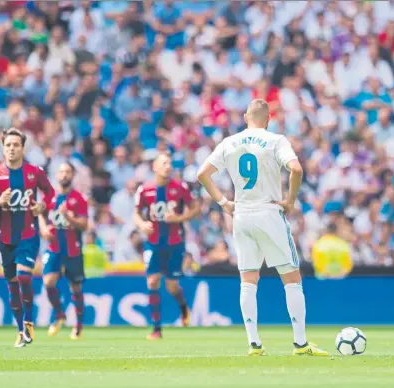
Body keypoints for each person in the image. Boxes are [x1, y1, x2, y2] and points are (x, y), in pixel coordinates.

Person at [197, 99, 328, 357]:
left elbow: (202, 174)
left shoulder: (229, 142)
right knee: (291, 278)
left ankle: (254, 344)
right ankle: (300, 344)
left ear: (246, 117)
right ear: (268, 119)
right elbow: (296, 169)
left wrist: (224, 202)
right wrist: (290, 200)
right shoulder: (276, 140)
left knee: (248, 280)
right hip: (269, 211)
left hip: (241, 214)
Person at [0, 128, 55, 348]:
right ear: (3, 148)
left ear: (23, 148)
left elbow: (50, 194)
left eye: (16, 145)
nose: (11, 148)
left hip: (28, 234)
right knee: (12, 284)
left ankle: (29, 320)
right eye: (8, 145)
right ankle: (21, 329)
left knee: (24, 277)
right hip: (5, 237)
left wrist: (43, 206)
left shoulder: (34, 172)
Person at [133, 152, 199, 340]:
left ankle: (183, 306)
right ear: (154, 167)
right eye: (164, 163)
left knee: (171, 286)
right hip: (153, 242)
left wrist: (179, 218)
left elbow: (195, 208)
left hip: (174, 242)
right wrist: (141, 224)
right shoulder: (145, 190)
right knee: (152, 281)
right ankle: (156, 328)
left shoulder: (180, 187)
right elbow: (136, 213)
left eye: (169, 163)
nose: (168, 166)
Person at [38, 162, 88, 340]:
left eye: (67, 172)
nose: (64, 175)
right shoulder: (50, 196)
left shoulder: (79, 198)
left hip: (73, 249)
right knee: (48, 282)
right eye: (61, 171)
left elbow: (84, 224)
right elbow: (40, 215)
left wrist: (69, 217)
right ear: (57, 175)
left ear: (73, 175)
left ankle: (79, 326)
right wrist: (43, 228)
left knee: (75, 287)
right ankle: (59, 314)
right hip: (54, 248)